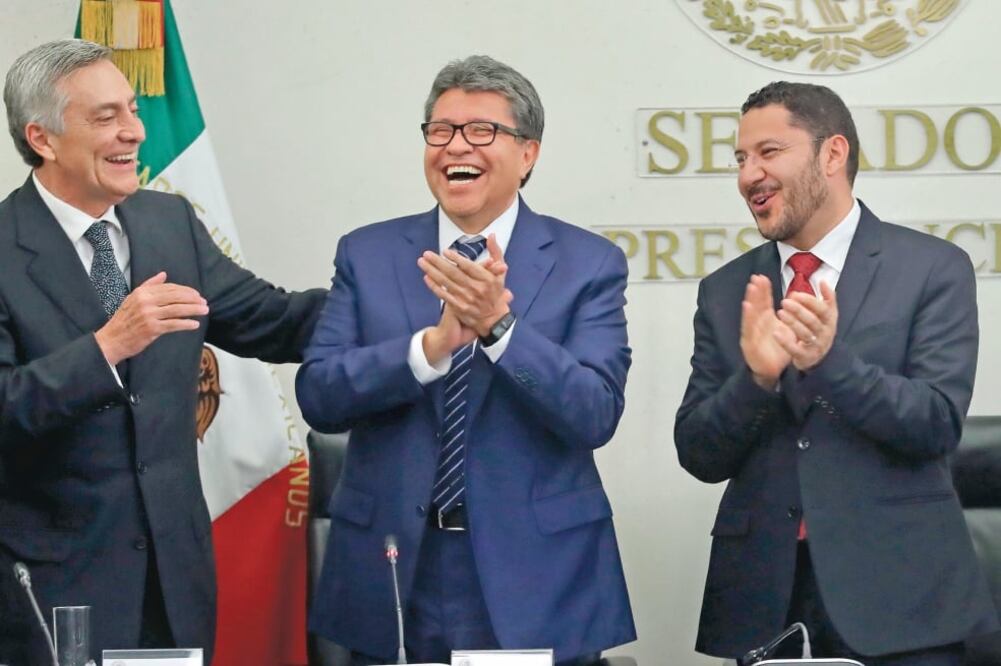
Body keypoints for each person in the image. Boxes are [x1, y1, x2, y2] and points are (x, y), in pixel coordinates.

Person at [297, 55, 635, 665]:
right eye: (441, 130)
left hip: (536, 570)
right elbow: (320, 395)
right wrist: (430, 349)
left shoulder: (588, 262)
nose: (458, 146)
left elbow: (595, 413)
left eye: (483, 131)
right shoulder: (367, 253)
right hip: (397, 566)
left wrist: (499, 329)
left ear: (528, 153)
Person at [0, 39, 326, 664]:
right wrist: (106, 348)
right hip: (49, 589)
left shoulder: (166, 222)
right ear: (41, 138)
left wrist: (401, 293)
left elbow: (275, 321)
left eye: (132, 109)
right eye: (105, 117)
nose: (134, 131)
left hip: (174, 585)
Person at [674, 80, 999, 665]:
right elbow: (699, 452)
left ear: (832, 154)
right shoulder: (726, 291)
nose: (749, 175)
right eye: (741, 159)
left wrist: (829, 364)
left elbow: (935, 423)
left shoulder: (931, 268)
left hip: (903, 602)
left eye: (769, 152)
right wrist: (757, 380)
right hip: (764, 600)